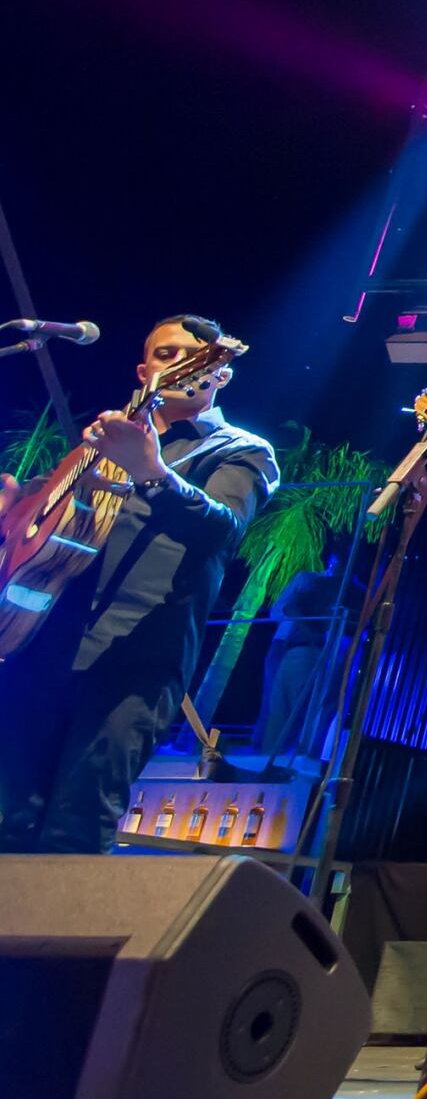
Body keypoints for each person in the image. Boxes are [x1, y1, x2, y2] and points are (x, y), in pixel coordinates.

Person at [0, 316, 276, 852]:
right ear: (143, 370)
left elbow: (222, 526)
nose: (174, 364)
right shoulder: (96, 446)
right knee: (9, 815)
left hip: (135, 662)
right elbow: (47, 529)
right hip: (43, 644)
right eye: (163, 354)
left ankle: (55, 940)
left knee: (77, 825)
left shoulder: (240, 449)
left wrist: (152, 472)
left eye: (188, 356)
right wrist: (14, 516)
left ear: (218, 373)